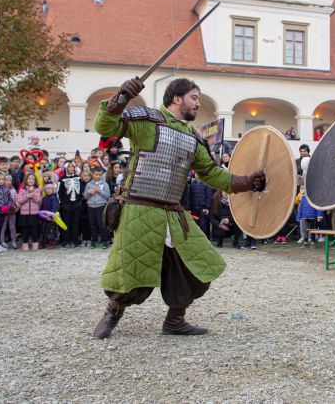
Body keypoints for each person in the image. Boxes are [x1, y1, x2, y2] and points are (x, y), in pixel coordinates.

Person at [91, 77, 264, 339]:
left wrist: (244, 182)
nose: (198, 103)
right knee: (130, 269)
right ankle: (112, 313)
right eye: (194, 97)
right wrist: (120, 98)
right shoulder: (146, 120)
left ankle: (175, 320)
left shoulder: (192, 137)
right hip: (139, 208)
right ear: (176, 98)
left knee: (196, 263)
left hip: (173, 212)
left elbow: (210, 173)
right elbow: (105, 125)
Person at [84, 166, 110, 248]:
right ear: (92, 174)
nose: (98, 176)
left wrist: (99, 191)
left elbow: (108, 196)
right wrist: (89, 193)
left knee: (102, 224)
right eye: (96, 174)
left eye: (100, 175)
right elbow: (85, 197)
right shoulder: (89, 184)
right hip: (91, 206)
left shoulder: (105, 184)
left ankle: (105, 240)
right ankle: (94, 240)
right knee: (93, 225)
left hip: (101, 206)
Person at [58, 162, 83, 249]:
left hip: (76, 204)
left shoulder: (78, 178)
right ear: (65, 168)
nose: (71, 168)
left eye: (73, 166)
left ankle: (75, 240)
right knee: (66, 223)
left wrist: (79, 202)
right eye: (69, 166)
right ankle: (66, 240)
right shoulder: (62, 179)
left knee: (76, 223)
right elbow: (59, 193)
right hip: (66, 205)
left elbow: (81, 191)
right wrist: (63, 204)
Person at [16, 172, 43, 251]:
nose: (31, 180)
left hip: (34, 213)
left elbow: (38, 199)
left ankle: (35, 243)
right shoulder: (22, 190)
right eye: (30, 179)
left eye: (33, 179)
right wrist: (27, 196)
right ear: (26, 180)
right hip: (24, 213)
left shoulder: (37, 189)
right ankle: (25, 243)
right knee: (25, 229)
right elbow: (19, 201)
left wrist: (33, 194)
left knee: (34, 228)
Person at [188, 173, 214, 239]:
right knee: (194, 225)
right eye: (196, 173)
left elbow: (209, 196)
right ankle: (195, 239)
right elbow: (189, 197)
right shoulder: (192, 184)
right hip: (194, 208)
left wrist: (207, 207)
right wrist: (189, 208)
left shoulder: (206, 184)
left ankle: (205, 239)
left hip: (203, 209)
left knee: (204, 225)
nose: (198, 175)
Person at [0, 174, 18, 249]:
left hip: (12, 210)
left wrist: (16, 206)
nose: (8, 182)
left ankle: (14, 241)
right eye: (7, 180)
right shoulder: (1, 189)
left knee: (12, 226)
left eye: (10, 180)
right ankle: (2, 241)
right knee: (3, 226)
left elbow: (16, 199)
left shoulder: (13, 190)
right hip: (4, 210)